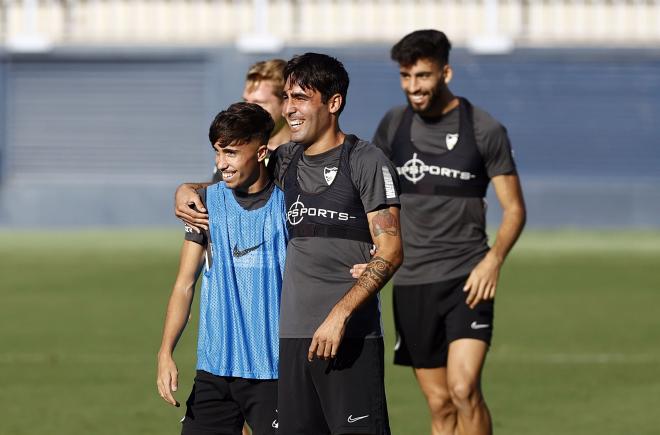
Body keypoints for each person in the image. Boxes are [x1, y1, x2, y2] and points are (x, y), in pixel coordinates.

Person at [176, 53, 403, 435]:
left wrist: (339, 314)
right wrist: (186, 189)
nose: (289, 108)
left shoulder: (365, 160)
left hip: (349, 337)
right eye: (286, 97)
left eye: (300, 98)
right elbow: (237, 175)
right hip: (293, 342)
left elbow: (393, 249)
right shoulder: (285, 160)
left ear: (333, 103)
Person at [369, 30, 526, 435]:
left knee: (463, 388)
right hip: (412, 281)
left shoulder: (483, 128)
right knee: (439, 404)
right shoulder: (393, 125)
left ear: (446, 72)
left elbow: (514, 209)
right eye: (405, 76)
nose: (413, 87)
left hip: (467, 278)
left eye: (422, 76)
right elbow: (372, 197)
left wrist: (492, 262)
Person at [157, 102, 286, 435]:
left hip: (274, 373)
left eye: (230, 153)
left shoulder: (288, 205)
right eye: (217, 152)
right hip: (214, 373)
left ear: (261, 153)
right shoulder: (205, 206)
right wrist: (165, 351)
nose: (220, 164)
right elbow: (184, 285)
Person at [212, 59, 290, 183]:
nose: (247, 109)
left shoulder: (304, 152)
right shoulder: (233, 147)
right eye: (246, 101)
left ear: (285, 103)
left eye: (258, 103)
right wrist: (190, 188)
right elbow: (219, 191)